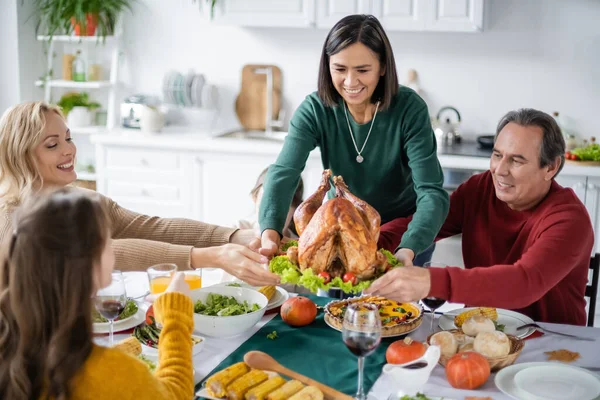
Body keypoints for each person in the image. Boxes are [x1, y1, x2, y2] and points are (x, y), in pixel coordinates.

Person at [0, 102, 279, 287]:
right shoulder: (11, 220)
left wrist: (235, 237)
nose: (69, 150)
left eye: (68, 138)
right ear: (21, 155)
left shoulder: (82, 201)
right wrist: (211, 256)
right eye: (52, 144)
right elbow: (99, 252)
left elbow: (152, 227)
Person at [367, 108, 593, 326]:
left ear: (551, 167)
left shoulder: (569, 219)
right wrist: (368, 244)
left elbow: (524, 282)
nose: (500, 170)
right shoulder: (480, 188)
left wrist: (430, 281)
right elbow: (423, 221)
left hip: (552, 344)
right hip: (478, 330)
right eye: (497, 155)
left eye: (516, 160)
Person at [258, 14, 449, 270]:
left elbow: (431, 192)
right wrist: (270, 231)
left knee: (400, 310)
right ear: (327, 66)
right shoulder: (316, 109)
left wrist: (409, 247)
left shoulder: (409, 108)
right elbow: (284, 172)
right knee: (333, 310)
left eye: (362, 70)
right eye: (339, 69)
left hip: (404, 234)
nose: (350, 82)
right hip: (337, 233)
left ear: (382, 67)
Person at [0, 188, 195, 399]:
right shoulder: (115, 374)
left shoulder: (11, 348)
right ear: (92, 265)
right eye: (107, 241)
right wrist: (175, 316)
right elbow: (175, 393)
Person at [234, 167, 304, 239]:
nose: (273, 212)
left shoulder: (298, 243)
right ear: (255, 198)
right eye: (267, 201)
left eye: (284, 206)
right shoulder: (238, 229)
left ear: (297, 208)